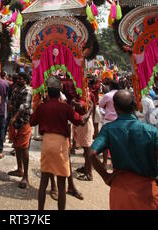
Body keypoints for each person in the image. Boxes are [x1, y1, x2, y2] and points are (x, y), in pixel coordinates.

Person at [30, 76, 92, 210]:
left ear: (48, 91)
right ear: (60, 91)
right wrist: (90, 109)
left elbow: (31, 121)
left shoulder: (42, 107)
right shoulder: (65, 108)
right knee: (62, 184)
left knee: (43, 182)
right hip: (61, 144)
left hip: (47, 142)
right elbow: (81, 121)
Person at [90, 89, 158, 210]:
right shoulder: (151, 131)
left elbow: (92, 153)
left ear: (115, 108)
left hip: (120, 191)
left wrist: (105, 176)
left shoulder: (108, 129)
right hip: (148, 192)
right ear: (135, 105)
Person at [8, 70, 33, 189]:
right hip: (15, 122)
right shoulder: (16, 89)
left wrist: (14, 116)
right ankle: (19, 169)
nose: (19, 80)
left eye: (22, 79)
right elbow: (11, 101)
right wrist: (10, 106)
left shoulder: (27, 90)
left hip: (23, 121)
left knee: (24, 148)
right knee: (17, 146)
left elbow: (24, 106)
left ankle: (26, 177)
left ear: (26, 81)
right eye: (18, 78)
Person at [99, 79, 120, 169]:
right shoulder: (121, 94)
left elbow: (100, 105)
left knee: (105, 144)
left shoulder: (107, 95)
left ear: (111, 86)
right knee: (117, 143)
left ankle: (104, 163)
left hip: (108, 121)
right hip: (119, 121)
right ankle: (115, 163)